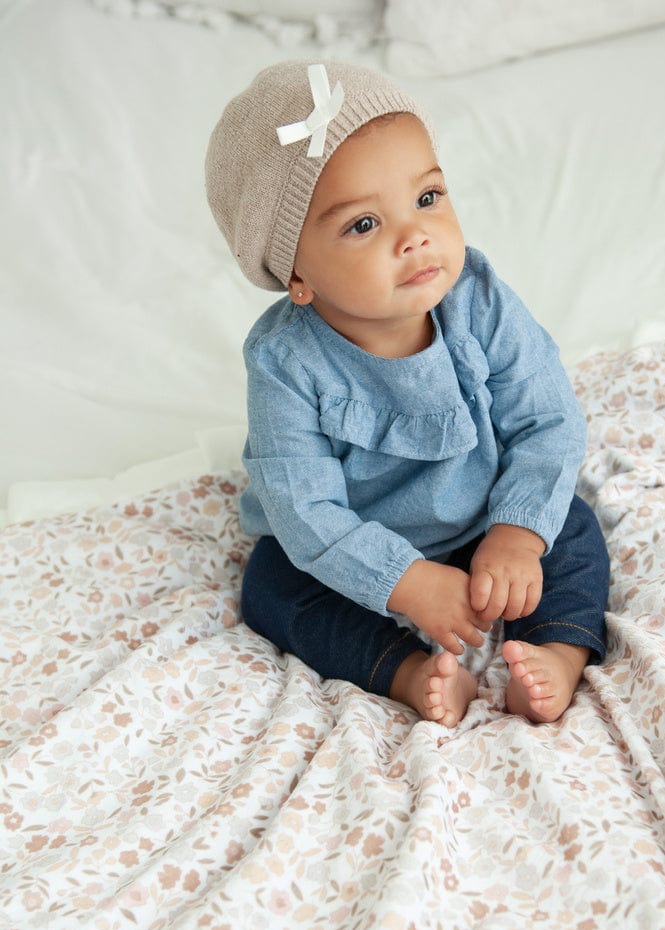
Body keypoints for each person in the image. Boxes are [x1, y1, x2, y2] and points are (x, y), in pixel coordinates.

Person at [205, 60, 609, 727]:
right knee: (271, 588)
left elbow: (547, 420)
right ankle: (406, 670)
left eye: (427, 198)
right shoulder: (285, 363)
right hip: (355, 543)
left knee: (568, 524)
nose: (415, 236)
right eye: (364, 224)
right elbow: (305, 509)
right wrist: (403, 580)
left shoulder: (478, 299)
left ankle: (555, 652)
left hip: (483, 515)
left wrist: (515, 534)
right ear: (297, 275)